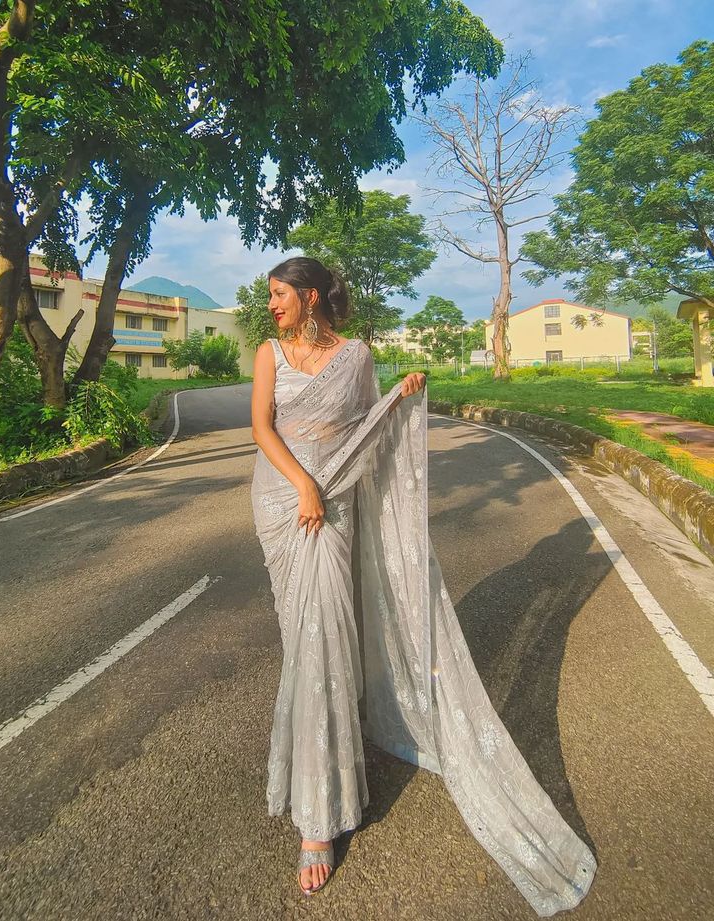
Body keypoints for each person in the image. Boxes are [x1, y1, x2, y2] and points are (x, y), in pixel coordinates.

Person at [250, 256, 597, 911]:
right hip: (284, 504)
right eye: (270, 295)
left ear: (311, 295)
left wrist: (398, 398)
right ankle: (319, 771)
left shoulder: (355, 356)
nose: (271, 304)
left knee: (328, 639)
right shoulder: (269, 352)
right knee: (306, 643)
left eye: (278, 294)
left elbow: (367, 431)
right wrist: (302, 486)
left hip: (340, 501)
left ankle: (317, 820)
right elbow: (262, 427)